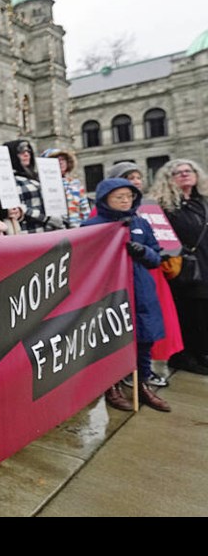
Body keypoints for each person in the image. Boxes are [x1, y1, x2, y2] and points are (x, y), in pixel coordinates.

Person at [82, 178, 170, 412]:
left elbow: (156, 257)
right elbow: (84, 261)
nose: (124, 200)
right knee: (111, 340)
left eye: (128, 196)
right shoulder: (92, 226)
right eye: (118, 196)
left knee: (144, 339)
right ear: (105, 198)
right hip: (110, 293)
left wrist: (143, 252)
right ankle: (111, 386)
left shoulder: (140, 223)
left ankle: (141, 385)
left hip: (141, 291)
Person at [103, 161, 183, 377]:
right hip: (116, 288)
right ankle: (121, 378)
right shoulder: (98, 221)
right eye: (130, 178)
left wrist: (144, 252)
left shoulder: (141, 219)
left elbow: (155, 252)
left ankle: (144, 377)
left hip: (144, 281)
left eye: (138, 178)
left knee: (145, 331)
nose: (136, 182)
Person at [149, 159, 208, 376]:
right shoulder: (163, 206)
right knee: (188, 312)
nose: (184, 174)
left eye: (188, 170)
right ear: (169, 178)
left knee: (203, 312)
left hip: (204, 261)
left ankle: (202, 353)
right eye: (178, 172)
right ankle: (184, 357)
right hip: (183, 268)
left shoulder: (202, 201)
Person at [6, 139, 63, 234]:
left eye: (28, 151)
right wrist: (46, 218)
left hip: (49, 231)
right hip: (29, 232)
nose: (26, 154)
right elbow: (19, 208)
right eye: (21, 152)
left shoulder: (37, 176)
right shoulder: (10, 179)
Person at [41, 147, 90, 227]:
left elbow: (85, 209)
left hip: (77, 230)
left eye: (63, 159)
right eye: (56, 160)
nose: (61, 163)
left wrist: (87, 227)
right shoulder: (42, 185)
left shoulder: (75, 184)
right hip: (54, 231)